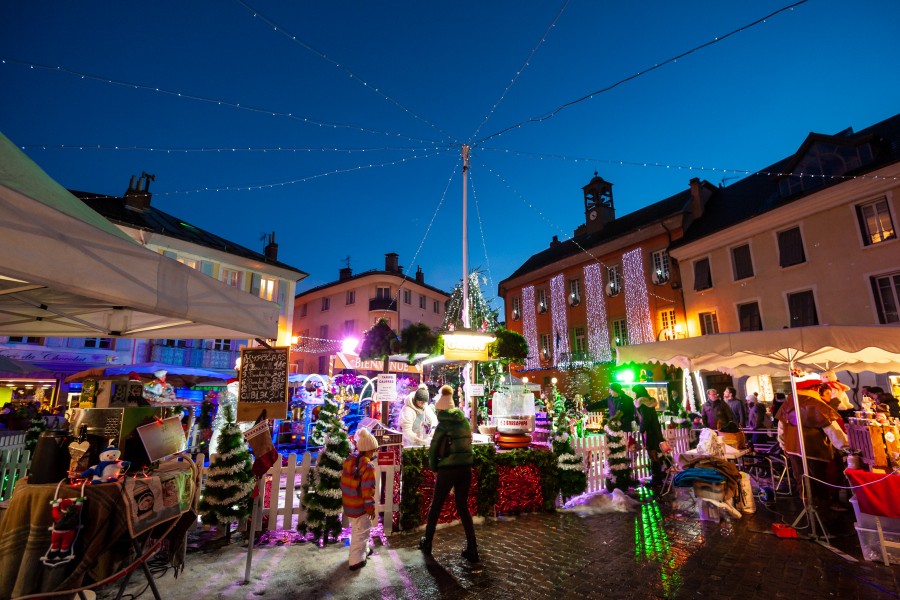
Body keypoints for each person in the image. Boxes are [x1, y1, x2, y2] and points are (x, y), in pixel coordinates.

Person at [419, 385, 479, 563]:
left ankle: (427, 542)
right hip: (465, 469)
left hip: (448, 470)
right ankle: (473, 549)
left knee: (436, 505)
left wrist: (436, 468)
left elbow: (433, 450)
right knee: (463, 507)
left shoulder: (443, 425)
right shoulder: (465, 422)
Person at [776, 389, 849, 520]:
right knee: (819, 482)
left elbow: (781, 429)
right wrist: (846, 447)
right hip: (816, 451)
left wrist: (784, 445)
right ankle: (822, 515)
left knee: (802, 482)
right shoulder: (818, 405)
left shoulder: (787, 405)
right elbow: (833, 430)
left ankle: (809, 512)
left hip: (793, 450)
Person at [341, 427, 378, 571]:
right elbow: (367, 491)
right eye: (373, 450)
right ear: (368, 450)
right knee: (361, 531)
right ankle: (356, 560)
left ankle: (365, 550)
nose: (374, 453)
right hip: (360, 506)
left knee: (358, 529)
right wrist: (370, 508)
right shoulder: (368, 467)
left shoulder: (350, 462)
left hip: (349, 504)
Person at [632, 385, 665, 487]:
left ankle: (656, 479)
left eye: (633, 392)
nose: (633, 394)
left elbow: (645, 419)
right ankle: (658, 477)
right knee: (655, 454)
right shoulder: (648, 402)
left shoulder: (642, 404)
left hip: (650, 432)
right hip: (655, 431)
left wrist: (641, 429)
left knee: (653, 455)